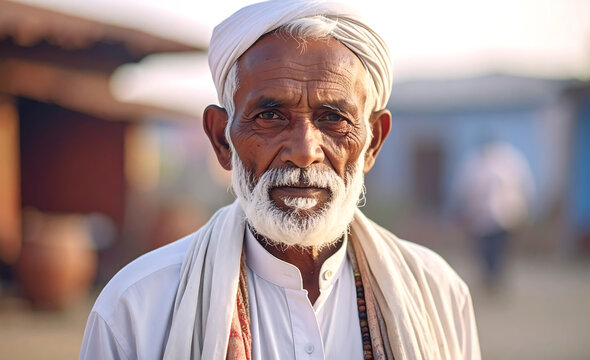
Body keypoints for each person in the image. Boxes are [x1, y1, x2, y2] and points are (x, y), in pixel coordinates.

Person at [80, 1, 481, 359]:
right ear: (222, 139)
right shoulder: (136, 307)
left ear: (373, 142)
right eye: (270, 116)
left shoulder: (438, 295)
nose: (304, 150)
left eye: (333, 118)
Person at [453, 138, 535, 290]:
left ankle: (497, 281)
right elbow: (464, 189)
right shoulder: (473, 163)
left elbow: (524, 187)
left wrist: (522, 210)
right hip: (480, 218)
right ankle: (489, 280)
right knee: (484, 252)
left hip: (506, 217)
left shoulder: (510, 161)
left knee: (501, 251)